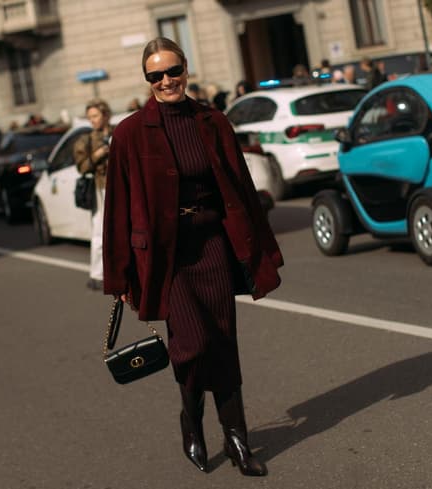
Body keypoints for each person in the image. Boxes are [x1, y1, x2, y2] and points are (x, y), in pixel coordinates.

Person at [103, 37, 283, 477]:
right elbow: (118, 209)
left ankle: (238, 439)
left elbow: (239, 186)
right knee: (193, 343)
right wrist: (121, 277)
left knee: (222, 340)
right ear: (147, 81)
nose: (166, 81)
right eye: (156, 75)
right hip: (168, 258)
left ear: (186, 69)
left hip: (212, 247)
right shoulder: (129, 133)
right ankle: (192, 421)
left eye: (173, 71)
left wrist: (259, 248)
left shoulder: (212, 121)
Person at [74, 99, 114, 291]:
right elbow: (81, 167)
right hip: (100, 188)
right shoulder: (86, 140)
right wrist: (97, 156)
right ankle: (97, 274)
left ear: (105, 114)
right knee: (99, 232)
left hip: (121, 185)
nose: (93, 120)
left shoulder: (118, 132)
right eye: (90, 117)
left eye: (96, 116)